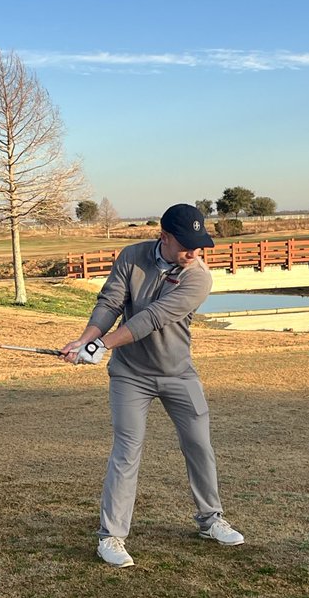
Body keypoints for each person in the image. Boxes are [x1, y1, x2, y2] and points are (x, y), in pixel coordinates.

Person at [61, 203, 244, 567]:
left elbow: (153, 317)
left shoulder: (198, 277)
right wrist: (85, 340)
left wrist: (103, 345)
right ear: (164, 236)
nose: (193, 252)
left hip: (178, 373)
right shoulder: (132, 257)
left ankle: (210, 520)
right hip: (131, 375)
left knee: (199, 445)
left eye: (199, 244)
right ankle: (111, 537)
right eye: (185, 244)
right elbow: (110, 302)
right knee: (127, 450)